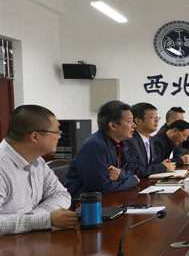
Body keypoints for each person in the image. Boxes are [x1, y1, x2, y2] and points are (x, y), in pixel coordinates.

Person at [0, 105, 78, 235]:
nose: (59, 136)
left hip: (30, 239)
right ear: (35, 137)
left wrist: (35, 218)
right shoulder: (2, 167)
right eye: (56, 132)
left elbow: (61, 195)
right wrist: (45, 219)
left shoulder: (38, 161)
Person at [65, 100, 139, 200]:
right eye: (130, 121)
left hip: (110, 198)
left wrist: (120, 174)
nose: (134, 125)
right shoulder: (94, 145)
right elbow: (101, 187)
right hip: (84, 204)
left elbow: (131, 171)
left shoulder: (122, 143)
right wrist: (133, 181)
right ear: (113, 125)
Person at [125, 102, 176, 177]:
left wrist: (163, 163)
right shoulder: (130, 141)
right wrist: (162, 167)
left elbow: (150, 163)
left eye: (157, 117)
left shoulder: (150, 140)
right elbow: (135, 170)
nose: (157, 120)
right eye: (152, 117)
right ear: (138, 121)